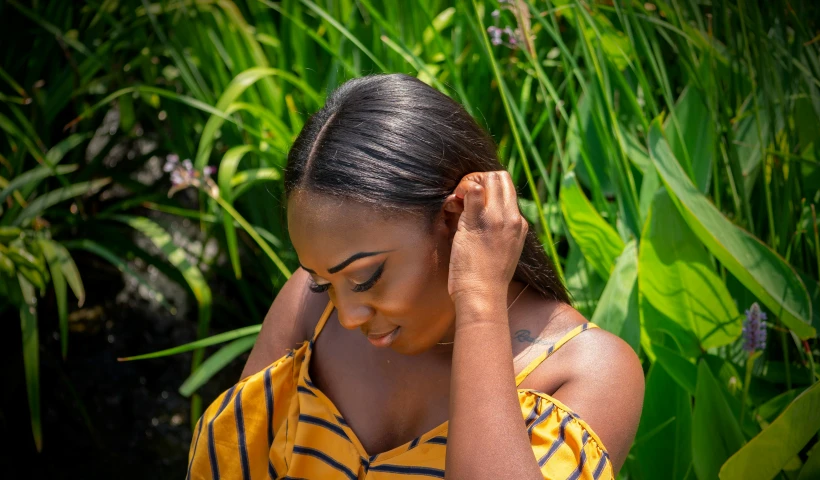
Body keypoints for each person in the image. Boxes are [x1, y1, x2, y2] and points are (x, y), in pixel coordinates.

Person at [185, 73, 644, 479]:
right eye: (325, 281)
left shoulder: (588, 370)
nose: (346, 315)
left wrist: (478, 302)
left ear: (453, 219)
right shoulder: (310, 308)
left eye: (365, 278)